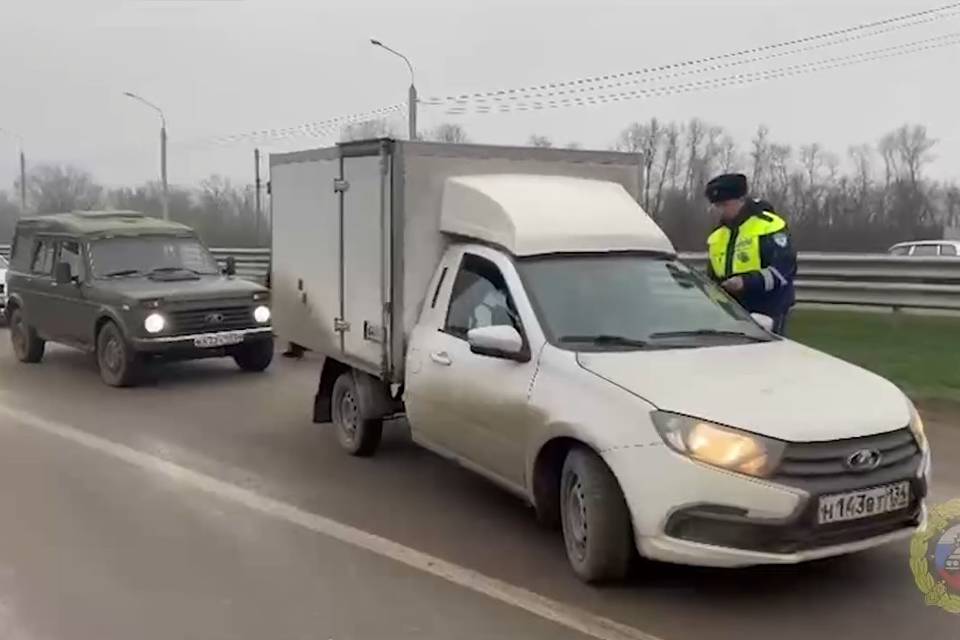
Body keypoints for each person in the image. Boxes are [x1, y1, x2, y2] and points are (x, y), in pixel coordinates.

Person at [704, 173, 797, 334]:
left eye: (724, 204)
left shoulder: (769, 225)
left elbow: (785, 268)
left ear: (741, 200)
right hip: (732, 312)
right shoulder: (718, 235)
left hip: (769, 310)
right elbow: (713, 275)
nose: (720, 210)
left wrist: (745, 282)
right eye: (716, 206)